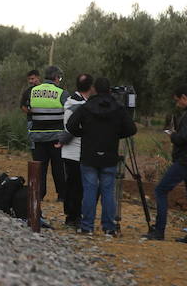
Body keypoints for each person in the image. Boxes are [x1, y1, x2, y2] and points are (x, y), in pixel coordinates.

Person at [66, 77, 136, 235]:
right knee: (108, 192)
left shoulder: (86, 107)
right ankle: (109, 227)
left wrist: (83, 133)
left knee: (89, 190)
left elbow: (70, 125)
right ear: (109, 90)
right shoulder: (118, 108)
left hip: (89, 154)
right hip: (109, 154)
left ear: (94, 89)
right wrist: (116, 135)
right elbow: (132, 129)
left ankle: (87, 226)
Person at [145, 84, 187, 244]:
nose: (177, 104)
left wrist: (172, 135)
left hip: (185, 161)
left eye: (177, 101)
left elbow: (183, 138)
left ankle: (159, 231)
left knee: (161, 190)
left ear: (183, 97)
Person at [28, 65, 69, 201]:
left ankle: (39, 194)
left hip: (37, 136)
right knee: (58, 168)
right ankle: (62, 195)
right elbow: (69, 113)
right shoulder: (61, 93)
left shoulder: (33, 91)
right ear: (56, 78)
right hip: (56, 137)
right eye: (60, 78)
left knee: (40, 168)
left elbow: (29, 109)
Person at [58, 73, 93, 229]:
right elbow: (74, 128)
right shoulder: (79, 104)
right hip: (75, 151)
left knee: (72, 184)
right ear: (91, 87)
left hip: (70, 151)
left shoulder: (71, 101)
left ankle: (71, 215)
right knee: (76, 186)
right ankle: (73, 217)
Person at [20, 69, 41, 151]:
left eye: (32, 79)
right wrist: (30, 112)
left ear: (38, 77)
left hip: (44, 121)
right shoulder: (27, 92)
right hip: (31, 121)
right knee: (33, 144)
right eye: (29, 79)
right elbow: (22, 105)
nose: (30, 81)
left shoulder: (44, 89)